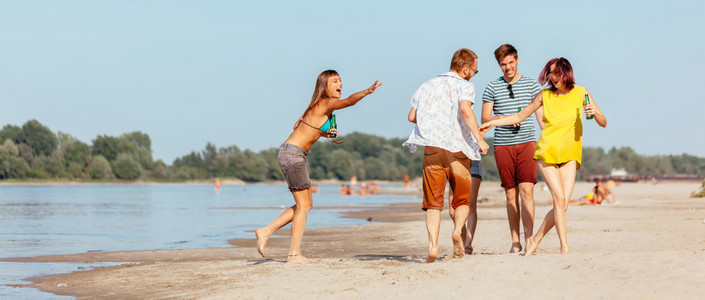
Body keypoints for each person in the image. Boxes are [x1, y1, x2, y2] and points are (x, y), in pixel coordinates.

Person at [480, 57, 607, 256]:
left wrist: (595, 113)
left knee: (563, 204)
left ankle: (537, 238)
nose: (553, 77)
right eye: (550, 73)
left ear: (566, 73)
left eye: (557, 73)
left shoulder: (582, 93)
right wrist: (492, 123)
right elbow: (519, 116)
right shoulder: (544, 95)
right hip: (547, 152)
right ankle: (564, 247)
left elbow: (603, 122)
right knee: (558, 197)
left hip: (570, 154)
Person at [255, 70, 382, 264]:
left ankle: (265, 231)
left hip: (292, 153)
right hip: (293, 154)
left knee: (305, 205)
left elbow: (297, 125)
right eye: (334, 81)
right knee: (304, 206)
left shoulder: (317, 106)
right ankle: (293, 255)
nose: (339, 83)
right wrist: (367, 91)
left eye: (340, 80)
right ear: (324, 86)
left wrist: (323, 133)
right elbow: (348, 101)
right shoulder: (326, 103)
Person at [403, 48, 489, 263]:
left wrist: (434, 119)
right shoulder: (465, 86)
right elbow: (466, 111)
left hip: (432, 149)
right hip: (458, 150)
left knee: (433, 204)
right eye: (475, 71)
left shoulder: (427, 84)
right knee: (461, 201)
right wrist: (479, 139)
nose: (474, 75)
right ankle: (458, 231)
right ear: (466, 68)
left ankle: (432, 246)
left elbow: (412, 116)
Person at [481, 44, 542, 253]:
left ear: (517, 60)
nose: (508, 68)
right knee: (510, 194)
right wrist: (506, 119)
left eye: (511, 63)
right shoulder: (492, 87)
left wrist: (547, 139)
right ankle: (515, 241)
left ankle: (529, 239)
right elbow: (485, 118)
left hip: (527, 143)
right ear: (499, 65)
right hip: (503, 145)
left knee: (527, 190)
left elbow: (540, 119)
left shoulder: (532, 85)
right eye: (503, 64)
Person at [447, 160, 482, 254]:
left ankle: (468, 244)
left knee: (471, 206)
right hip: (453, 164)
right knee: (452, 211)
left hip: (472, 164)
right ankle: (462, 240)